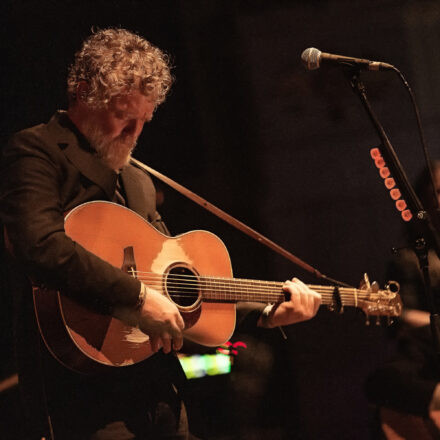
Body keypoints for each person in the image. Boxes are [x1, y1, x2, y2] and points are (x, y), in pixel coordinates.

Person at [0, 28, 322, 439]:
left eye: (142, 122)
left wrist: (264, 313)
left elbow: (176, 287)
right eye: (121, 117)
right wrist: (134, 297)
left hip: (159, 393)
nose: (133, 136)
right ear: (82, 93)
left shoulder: (137, 181)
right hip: (78, 396)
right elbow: (38, 244)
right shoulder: (36, 151)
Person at [365, 162, 440, 438]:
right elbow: (400, 317)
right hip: (428, 359)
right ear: (423, 202)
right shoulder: (410, 260)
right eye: (439, 192)